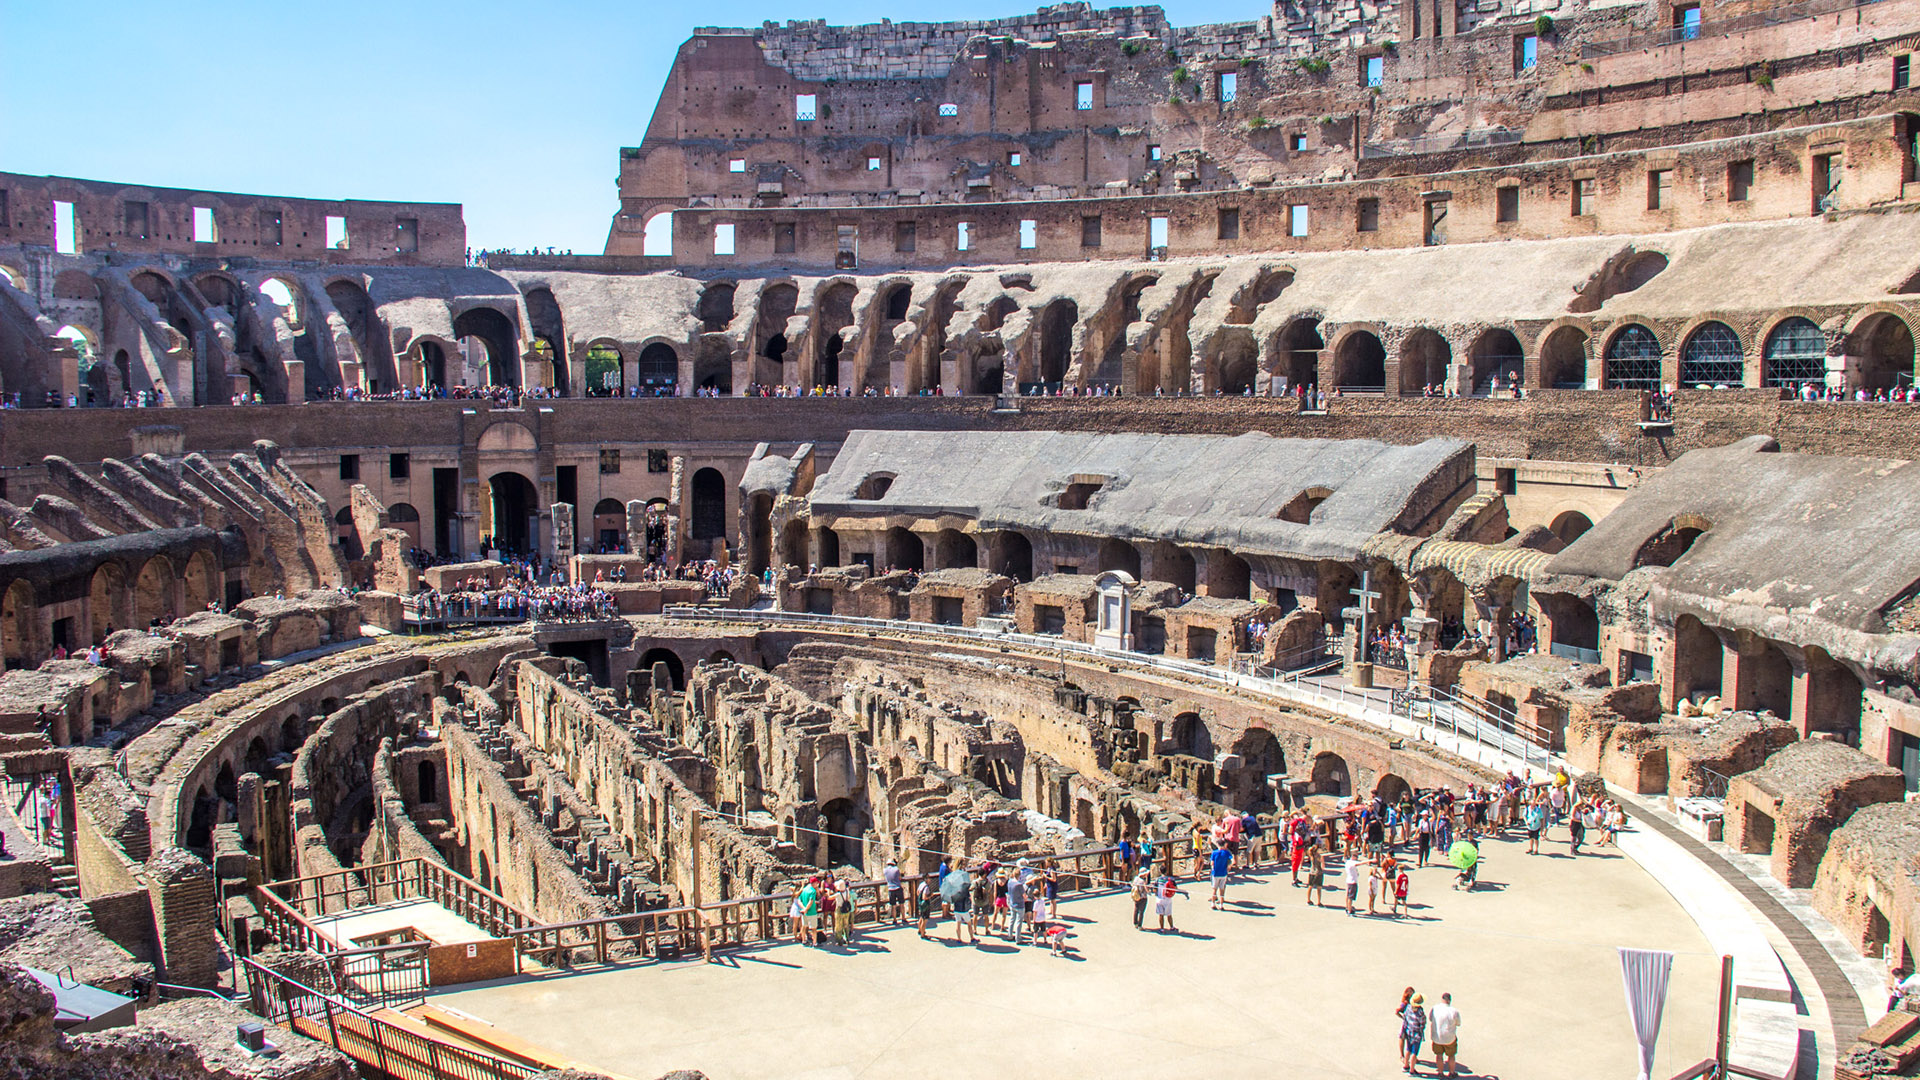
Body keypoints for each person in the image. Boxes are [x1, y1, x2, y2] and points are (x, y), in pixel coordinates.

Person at [1429, 993, 1462, 1077]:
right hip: (1449, 1038)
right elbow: (1458, 1023)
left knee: (1439, 1055)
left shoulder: (1435, 1008)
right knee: (1451, 1055)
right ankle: (1451, 1073)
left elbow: (1430, 1019)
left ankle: (1440, 1073)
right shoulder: (1454, 1011)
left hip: (1437, 1037)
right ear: (1449, 1000)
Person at [1400, 992, 1428, 1074]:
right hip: (1416, 1034)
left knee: (1408, 1049)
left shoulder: (1408, 1007)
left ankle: (1406, 1065)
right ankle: (1412, 1070)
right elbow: (1422, 1023)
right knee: (1414, 1053)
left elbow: (1405, 1017)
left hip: (1409, 1032)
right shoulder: (1420, 1012)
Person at [1209, 842, 1233, 909]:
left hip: (1215, 873)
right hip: (1223, 873)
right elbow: (1232, 860)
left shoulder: (1214, 853)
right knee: (1222, 889)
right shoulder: (1226, 853)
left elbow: (1212, 863)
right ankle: (1221, 905)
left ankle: (1213, 904)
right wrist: (1229, 867)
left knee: (1214, 889)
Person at [1343, 851, 1361, 916]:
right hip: (1352, 881)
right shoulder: (1351, 863)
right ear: (1353, 856)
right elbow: (1359, 863)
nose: (1357, 858)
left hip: (1349, 880)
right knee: (1350, 896)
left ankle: (1347, 907)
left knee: (1348, 895)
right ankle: (1349, 910)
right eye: (1356, 856)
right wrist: (1370, 861)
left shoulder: (1348, 862)